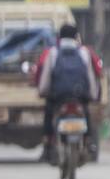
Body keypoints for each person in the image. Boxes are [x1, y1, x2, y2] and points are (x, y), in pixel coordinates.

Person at [33, 22, 102, 164]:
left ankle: (47, 142)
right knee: (85, 111)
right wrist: (93, 94)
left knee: (49, 112)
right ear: (76, 37)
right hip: (79, 94)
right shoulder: (84, 52)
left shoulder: (52, 52)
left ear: (59, 37)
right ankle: (88, 140)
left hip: (59, 96)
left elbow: (45, 77)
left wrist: (42, 91)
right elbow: (90, 75)